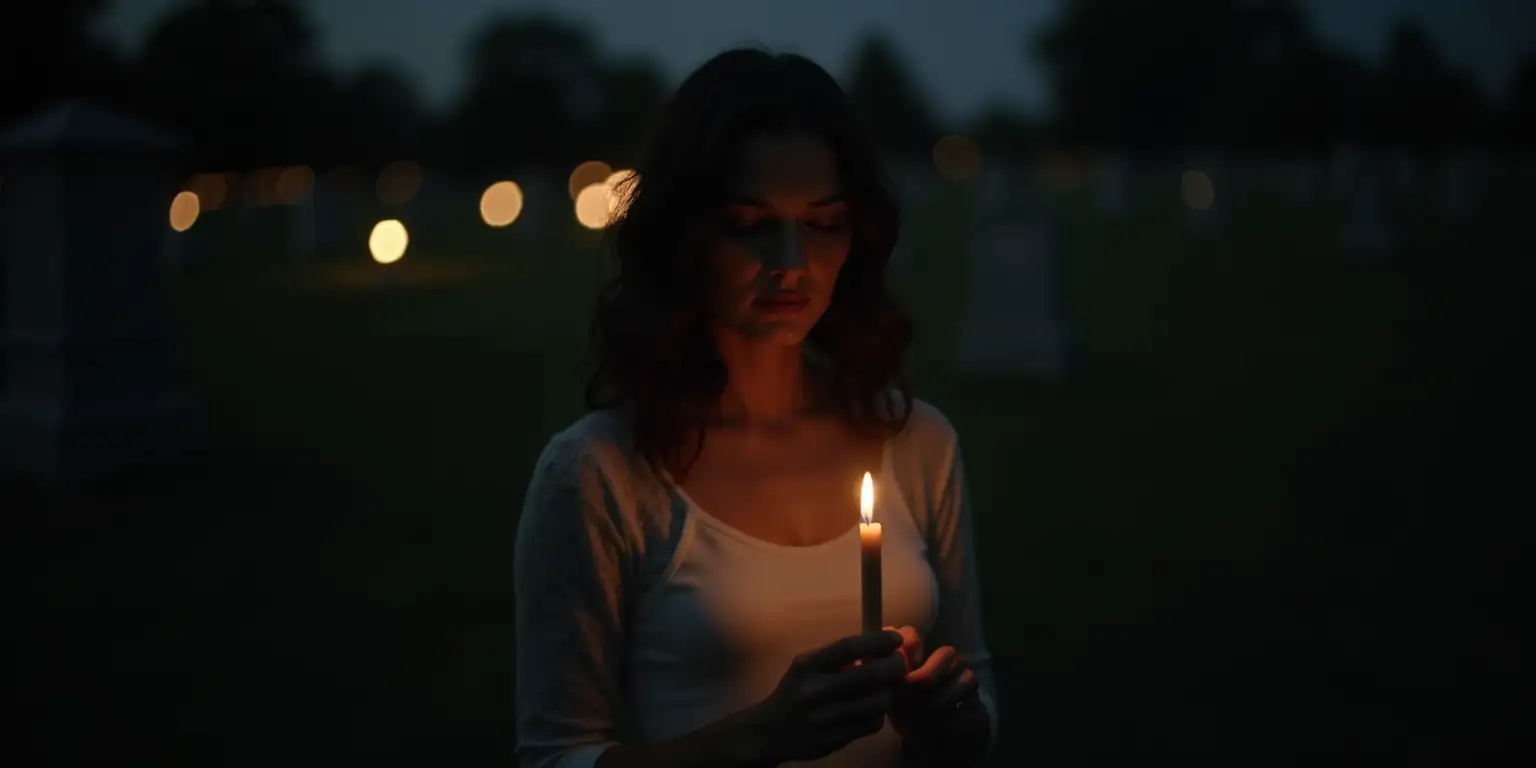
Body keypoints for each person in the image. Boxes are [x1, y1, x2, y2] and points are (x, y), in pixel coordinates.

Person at [514, 48, 996, 768]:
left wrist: (949, 723)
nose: (791, 261)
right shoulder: (601, 474)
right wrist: (760, 737)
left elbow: (980, 708)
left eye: (824, 223)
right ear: (687, 236)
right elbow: (555, 757)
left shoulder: (917, 442)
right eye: (750, 223)